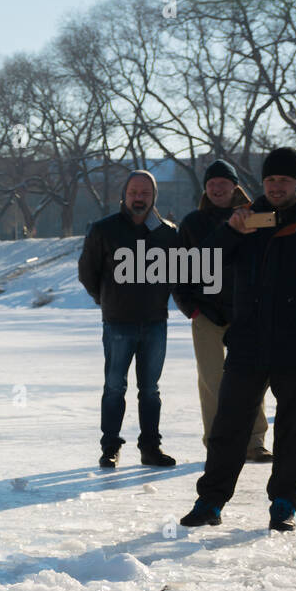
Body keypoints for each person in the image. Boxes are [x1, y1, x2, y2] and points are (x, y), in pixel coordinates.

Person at [180, 147, 296, 532]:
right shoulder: (246, 221)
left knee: (293, 431)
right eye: (270, 179)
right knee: (228, 428)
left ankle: (283, 504)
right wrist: (231, 231)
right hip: (247, 343)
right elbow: (199, 265)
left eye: (284, 179)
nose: (276, 186)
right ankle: (210, 502)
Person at [77, 169, 179, 469]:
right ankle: (110, 447)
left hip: (155, 323)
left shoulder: (168, 233)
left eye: (145, 193)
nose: (139, 197)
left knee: (150, 390)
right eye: (134, 191)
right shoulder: (103, 230)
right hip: (118, 323)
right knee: (114, 387)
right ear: (124, 194)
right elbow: (88, 273)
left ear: (153, 197)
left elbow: (177, 274)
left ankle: (150, 448)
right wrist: (106, 299)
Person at [172, 159, 270, 462]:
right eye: (211, 183)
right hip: (207, 313)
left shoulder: (255, 218)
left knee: (253, 378)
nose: (217, 188)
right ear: (205, 188)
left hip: (247, 312)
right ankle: (218, 442)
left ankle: (254, 441)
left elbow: (268, 261)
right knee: (213, 380)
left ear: (234, 186)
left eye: (223, 183)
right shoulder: (192, 223)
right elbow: (179, 269)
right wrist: (191, 308)